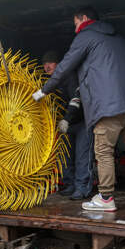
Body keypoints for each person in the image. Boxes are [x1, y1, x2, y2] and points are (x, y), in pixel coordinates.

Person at [32, 6, 125, 212]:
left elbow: (66, 65)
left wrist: (44, 90)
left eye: (76, 24)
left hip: (108, 106)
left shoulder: (86, 36)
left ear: (84, 19)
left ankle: (106, 198)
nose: (75, 29)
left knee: (103, 151)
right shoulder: (118, 39)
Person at [42, 50, 93, 200]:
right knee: (65, 157)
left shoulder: (69, 77)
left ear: (58, 64)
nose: (47, 67)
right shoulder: (50, 83)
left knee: (82, 156)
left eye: (50, 63)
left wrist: (67, 119)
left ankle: (82, 189)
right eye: (44, 64)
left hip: (82, 121)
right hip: (65, 125)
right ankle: (70, 185)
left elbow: (77, 99)